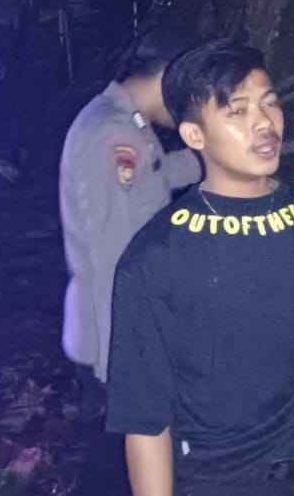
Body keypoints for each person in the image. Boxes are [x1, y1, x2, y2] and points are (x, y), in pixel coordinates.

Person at [105, 39, 294, 496]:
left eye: (269, 103)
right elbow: (146, 420)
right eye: (237, 111)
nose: (264, 123)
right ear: (194, 136)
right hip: (208, 482)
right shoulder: (156, 257)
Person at [58, 45, 202, 493]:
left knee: (118, 451)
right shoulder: (112, 134)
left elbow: (150, 178)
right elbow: (118, 248)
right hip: (117, 324)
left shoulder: (124, 123)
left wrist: (205, 161)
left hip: (114, 320)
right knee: (121, 458)